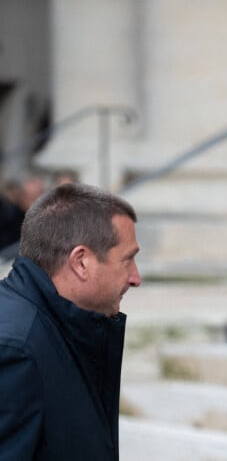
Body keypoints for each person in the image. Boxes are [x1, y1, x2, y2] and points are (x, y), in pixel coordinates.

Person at [0, 182, 141, 460]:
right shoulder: (16, 350)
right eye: (128, 260)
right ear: (81, 262)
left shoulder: (65, 328)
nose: (136, 277)